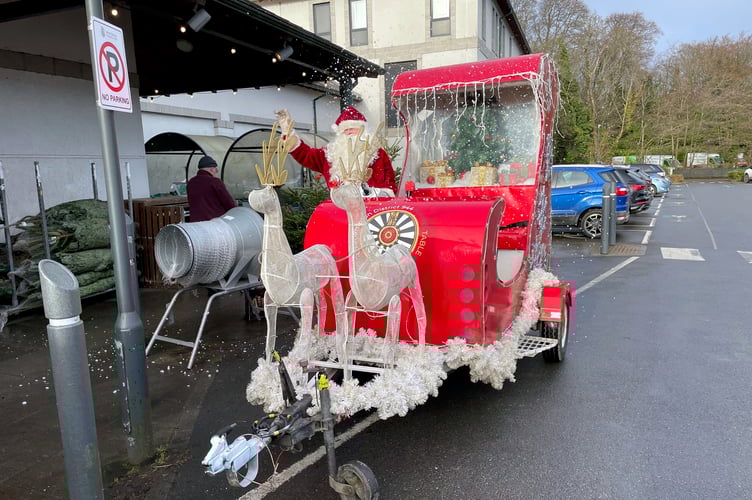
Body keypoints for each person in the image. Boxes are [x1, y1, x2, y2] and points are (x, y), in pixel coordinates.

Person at [275, 106, 398, 193]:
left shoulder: (378, 154)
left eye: (353, 128)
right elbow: (306, 155)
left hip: (372, 209)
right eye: (345, 129)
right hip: (339, 211)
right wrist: (288, 132)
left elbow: (390, 184)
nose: (349, 132)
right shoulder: (330, 154)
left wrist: (379, 193)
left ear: (363, 130)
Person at [186, 155, 237, 222]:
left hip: (196, 225)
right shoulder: (215, 182)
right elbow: (228, 203)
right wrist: (237, 212)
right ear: (212, 169)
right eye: (216, 170)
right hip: (214, 224)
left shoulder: (191, 183)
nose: (216, 172)